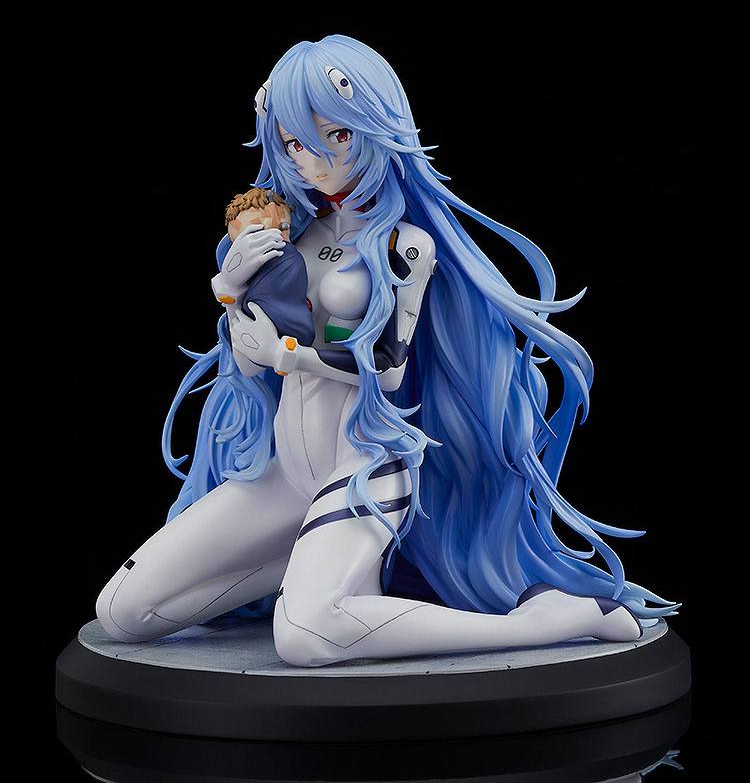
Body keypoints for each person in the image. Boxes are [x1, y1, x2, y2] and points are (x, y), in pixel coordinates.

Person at [96, 35, 676, 667]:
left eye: (336, 136)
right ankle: (319, 573)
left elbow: (390, 368)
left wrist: (291, 357)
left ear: (375, 126)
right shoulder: (291, 236)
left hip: (364, 466)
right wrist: (231, 293)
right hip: (285, 474)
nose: (315, 160)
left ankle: (538, 623)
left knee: (305, 637)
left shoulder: (405, 245)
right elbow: (249, 362)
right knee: (123, 612)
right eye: (295, 144)